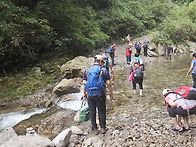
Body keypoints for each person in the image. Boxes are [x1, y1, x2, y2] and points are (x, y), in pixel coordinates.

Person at [82, 55, 114, 135]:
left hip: (90, 94)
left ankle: (95, 128)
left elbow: (84, 83)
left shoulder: (87, 70)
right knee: (101, 110)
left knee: (92, 111)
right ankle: (103, 128)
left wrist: (84, 93)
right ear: (100, 61)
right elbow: (109, 83)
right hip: (100, 94)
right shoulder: (103, 70)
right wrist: (111, 93)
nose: (103, 63)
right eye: (103, 62)